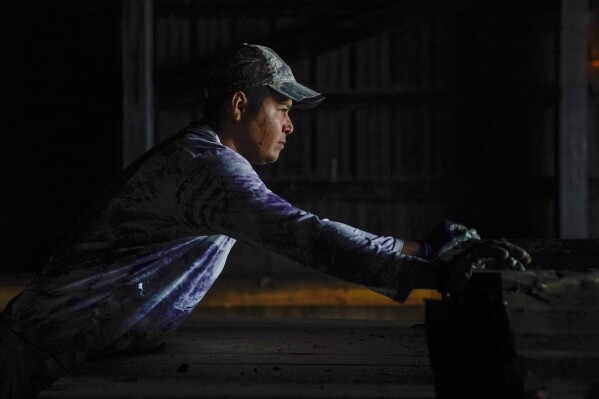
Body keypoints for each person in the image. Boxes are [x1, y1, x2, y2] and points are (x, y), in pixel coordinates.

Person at [0, 43, 531, 398]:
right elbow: (304, 235)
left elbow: (302, 226)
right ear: (239, 104)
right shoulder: (206, 169)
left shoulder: (207, 160)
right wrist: (430, 271)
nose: (289, 126)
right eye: (282, 108)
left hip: (66, 349)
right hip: (33, 357)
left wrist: (423, 248)